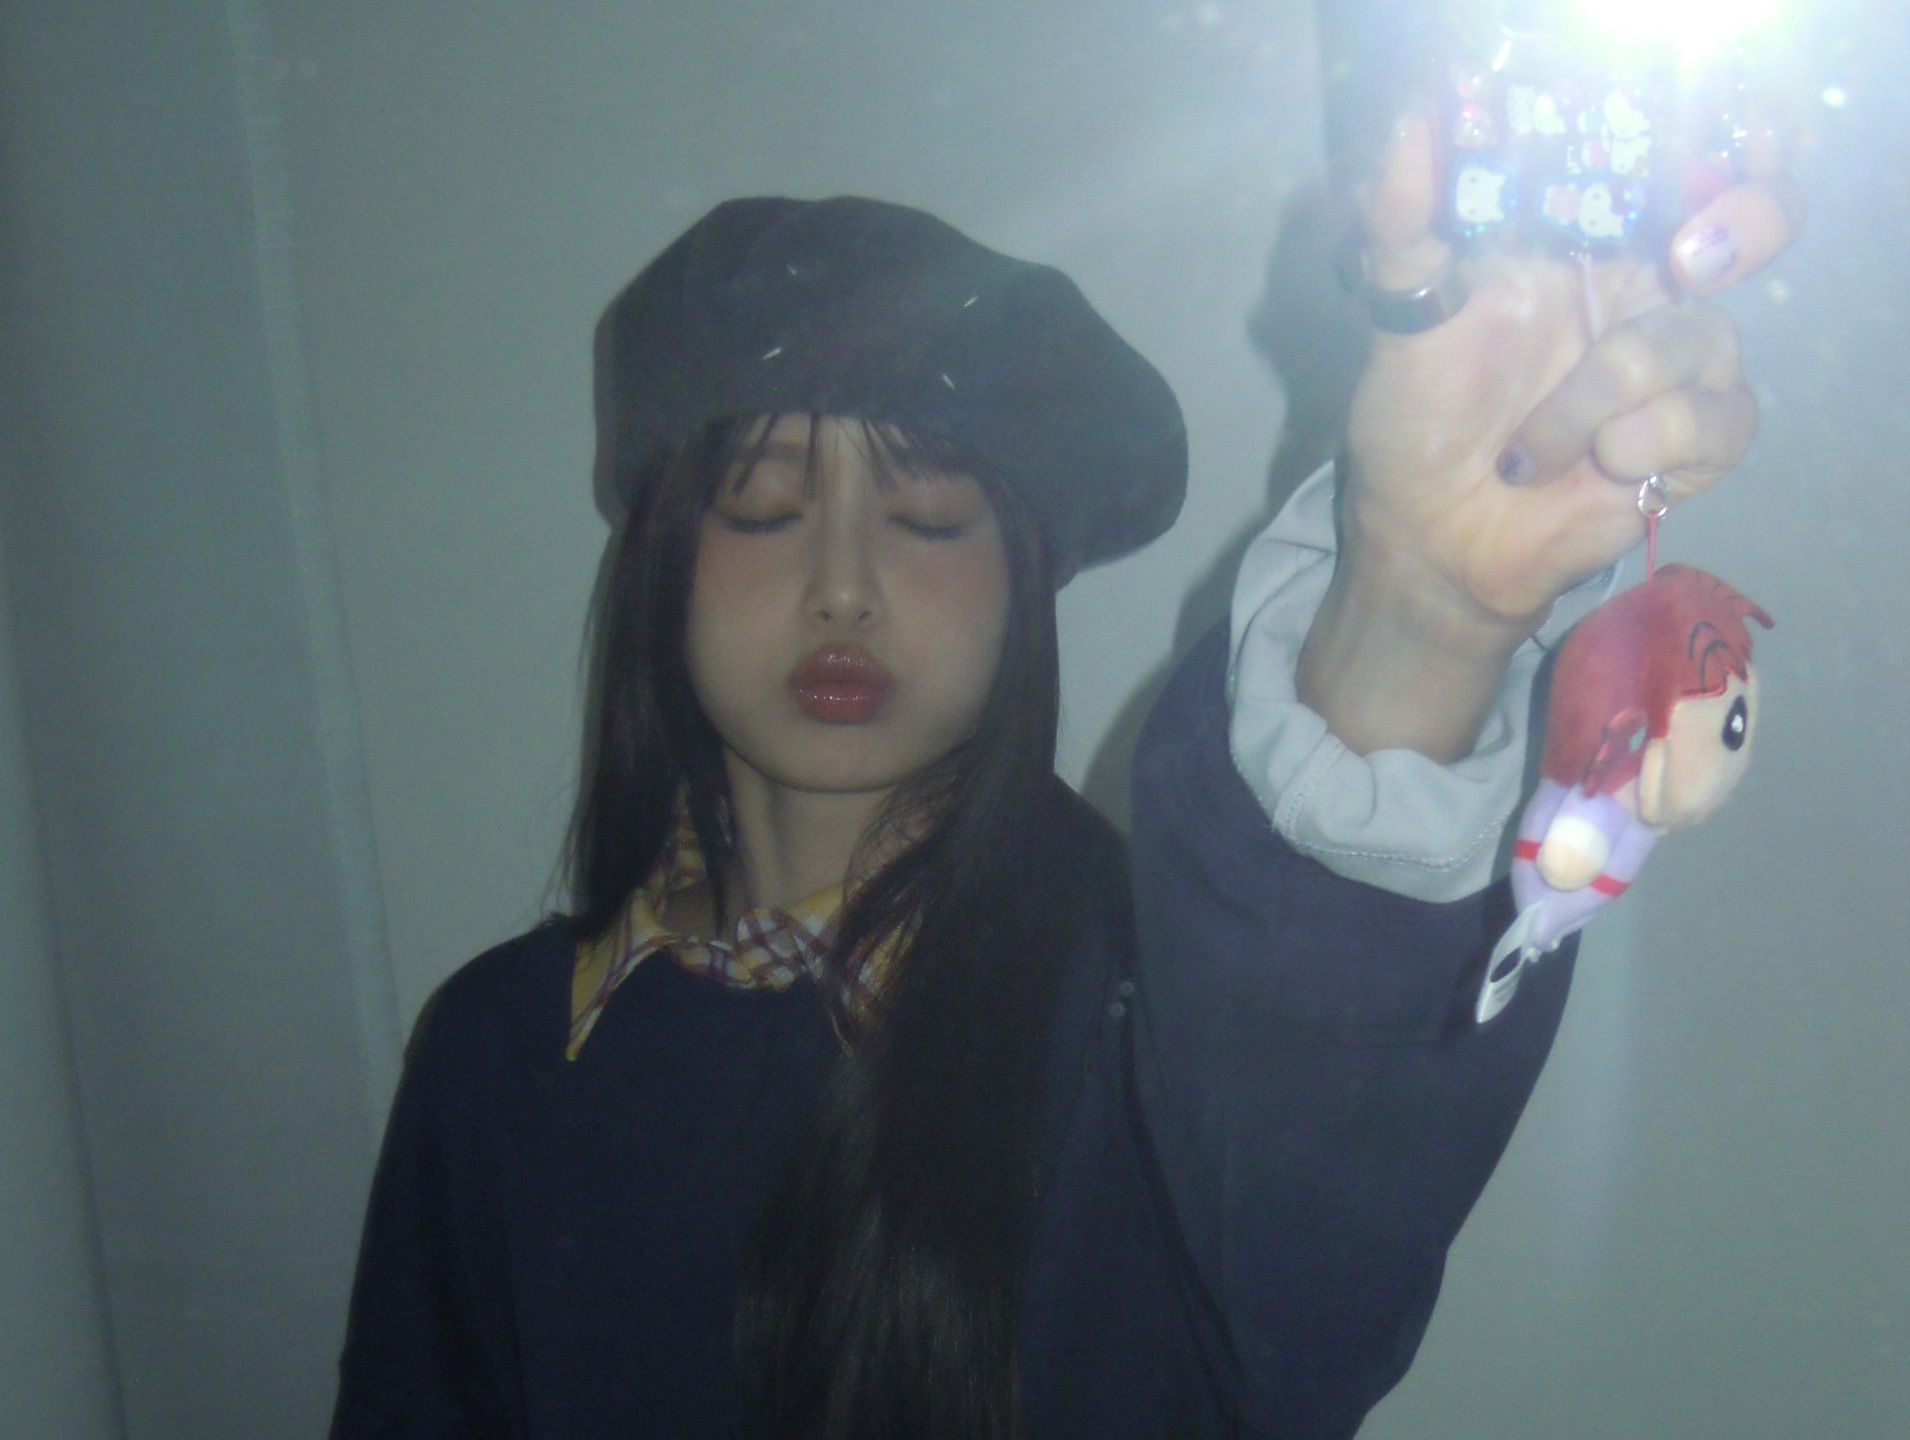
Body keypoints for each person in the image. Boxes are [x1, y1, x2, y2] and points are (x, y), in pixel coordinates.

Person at [328, 111, 1798, 1438]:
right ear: (666, 563)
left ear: (1023, 580)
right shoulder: (498, 1050)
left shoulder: (1146, 1005)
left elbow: (1308, 1304)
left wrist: (1422, 610)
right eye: (763, 506)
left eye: (926, 515)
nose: (840, 585)